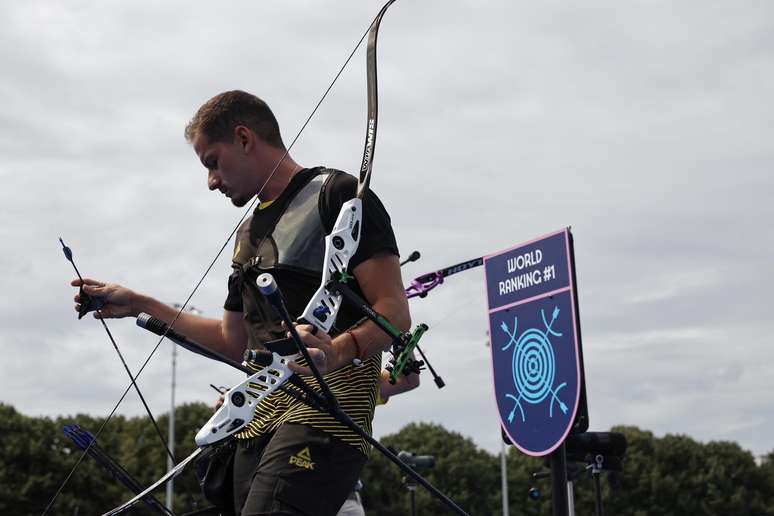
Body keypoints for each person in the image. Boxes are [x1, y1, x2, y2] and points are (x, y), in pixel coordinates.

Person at [72, 90, 411, 516]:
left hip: (326, 413)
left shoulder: (337, 193)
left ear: (245, 138)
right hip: (258, 416)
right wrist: (138, 303)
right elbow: (234, 341)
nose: (211, 180)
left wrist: (339, 349)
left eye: (212, 161)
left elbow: (395, 310)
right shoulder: (248, 232)